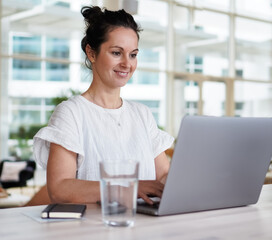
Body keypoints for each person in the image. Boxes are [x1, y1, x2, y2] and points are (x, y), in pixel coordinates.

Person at [33, 6, 174, 205]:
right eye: (117, 53)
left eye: (133, 55)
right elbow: (59, 189)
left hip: (145, 227)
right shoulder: (72, 113)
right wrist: (129, 187)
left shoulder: (142, 114)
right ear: (91, 53)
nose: (127, 63)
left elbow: (163, 176)